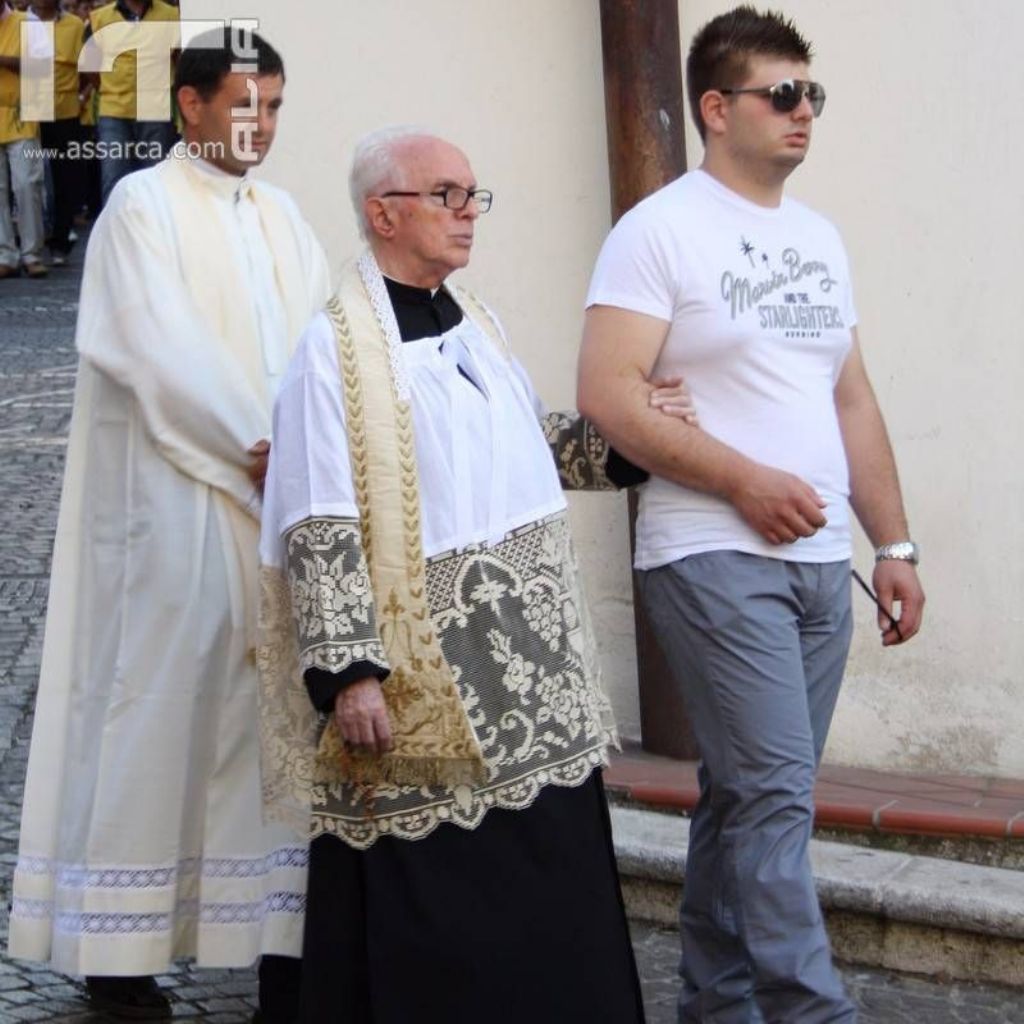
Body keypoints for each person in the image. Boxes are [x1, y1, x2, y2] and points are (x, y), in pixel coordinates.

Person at [258, 126, 693, 1024]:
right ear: (384, 212)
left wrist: (629, 438)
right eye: (447, 195)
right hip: (422, 671)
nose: (468, 213)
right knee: (444, 909)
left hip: (528, 661)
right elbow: (317, 511)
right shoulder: (332, 352)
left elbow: (528, 444)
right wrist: (351, 672)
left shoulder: (475, 322)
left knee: (546, 887)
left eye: (472, 196)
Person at [577, 6, 926, 1023]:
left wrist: (892, 544)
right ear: (714, 108)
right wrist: (738, 478)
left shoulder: (817, 238)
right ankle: (810, 1009)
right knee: (775, 798)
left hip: (822, 565)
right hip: (710, 553)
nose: (802, 112)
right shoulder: (658, 231)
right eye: (782, 95)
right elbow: (607, 391)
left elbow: (849, 399)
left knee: (742, 797)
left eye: (811, 94)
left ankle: (716, 1002)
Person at [8, 29, 330, 1023]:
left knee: (273, 730)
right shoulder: (138, 209)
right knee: (160, 710)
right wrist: (258, 445)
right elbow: (158, 351)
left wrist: (310, 446)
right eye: (243, 104)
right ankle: (123, 952)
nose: (260, 127)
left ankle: (278, 939)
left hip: (275, 505)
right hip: (174, 507)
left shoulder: (283, 217)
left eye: (274, 107)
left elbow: (323, 342)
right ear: (188, 105)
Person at [85, 0, 179, 205]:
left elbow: (179, 59)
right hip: (114, 112)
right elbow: (90, 65)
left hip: (155, 111)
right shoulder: (100, 18)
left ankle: (156, 233)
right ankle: (115, 234)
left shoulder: (171, 15)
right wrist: (110, 88)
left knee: (157, 177)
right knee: (114, 178)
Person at [27, 0, 85, 265]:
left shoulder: (74, 25)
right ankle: (32, 242)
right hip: (29, 112)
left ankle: (60, 241)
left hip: (65, 111)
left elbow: (87, 67)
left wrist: (83, 97)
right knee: (29, 179)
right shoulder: (19, 22)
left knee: (65, 176)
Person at [0, 0, 47, 278]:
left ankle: (32, 253)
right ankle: (5, 254)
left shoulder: (29, 23)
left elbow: (40, 68)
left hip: (21, 113)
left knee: (27, 185)